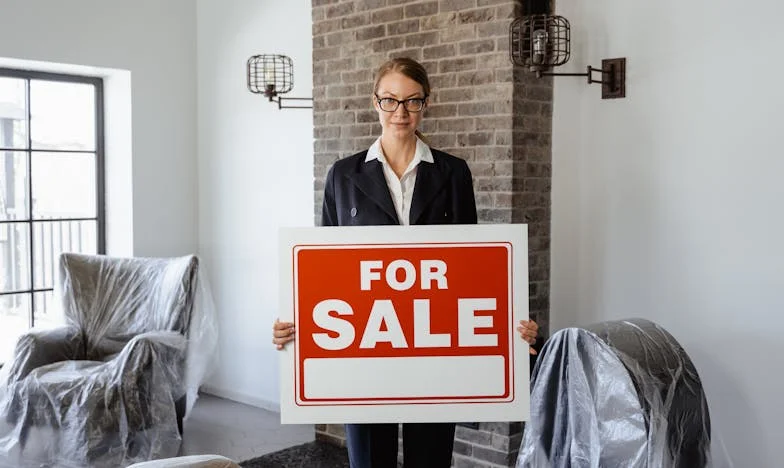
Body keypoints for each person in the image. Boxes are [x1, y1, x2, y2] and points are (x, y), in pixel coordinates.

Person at [273, 57, 539, 468]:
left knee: (429, 460)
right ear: (375, 102)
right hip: (365, 348)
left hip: (433, 345)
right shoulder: (342, 176)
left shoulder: (453, 173)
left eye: (413, 101)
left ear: (426, 104)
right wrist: (295, 325)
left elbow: (471, 268)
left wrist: (509, 324)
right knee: (369, 461)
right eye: (390, 100)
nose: (401, 112)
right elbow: (326, 272)